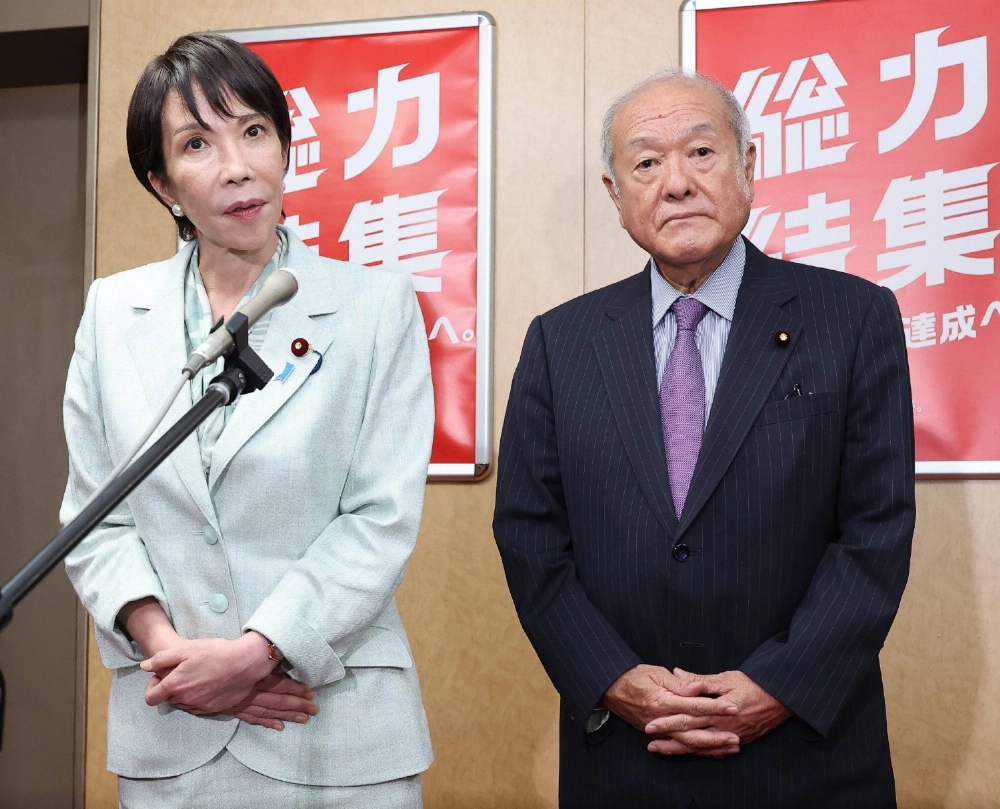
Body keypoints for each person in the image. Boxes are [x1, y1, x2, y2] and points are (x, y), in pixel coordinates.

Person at [493, 68, 914, 809]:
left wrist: (778, 685)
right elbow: (530, 535)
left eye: (701, 152)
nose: (677, 183)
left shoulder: (853, 317)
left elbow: (875, 532)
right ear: (614, 192)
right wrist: (612, 677)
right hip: (624, 756)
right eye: (647, 163)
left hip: (806, 757)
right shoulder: (561, 342)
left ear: (750, 165)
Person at [61, 33, 433, 808]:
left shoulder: (376, 308)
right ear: (164, 184)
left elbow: (378, 517)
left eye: (254, 130)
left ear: (285, 147)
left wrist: (256, 654)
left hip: (332, 726)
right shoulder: (112, 314)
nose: (237, 165)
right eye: (198, 143)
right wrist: (176, 659)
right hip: (175, 730)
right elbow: (96, 519)